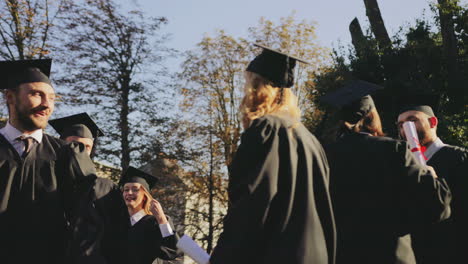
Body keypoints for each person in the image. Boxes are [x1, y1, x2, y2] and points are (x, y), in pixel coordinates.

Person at [210, 44, 336, 264]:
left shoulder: (266, 129)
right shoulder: (311, 141)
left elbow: (253, 203)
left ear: (257, 87)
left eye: (248, 83)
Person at [320, 80, 452, 264]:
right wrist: (430, 175)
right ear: (372, 116)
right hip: (388, 254)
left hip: (336, 254)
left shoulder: (322, 154)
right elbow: (436, 207)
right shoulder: (394, 150)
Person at [0, 59, 101, 264]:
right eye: (37, 94)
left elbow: (87, 224)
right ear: (10, 97)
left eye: (52, 98)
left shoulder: (68, 155)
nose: (47, 105)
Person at [49, 112, 127, 264]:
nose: (81, 152)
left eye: (87, 147)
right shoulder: (43, 179)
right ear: (61, 145)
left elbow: (116, 236)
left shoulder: (105, 188)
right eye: (75, 145)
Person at [397, 103, 468, 264]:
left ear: (433, 122)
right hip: (415, 253)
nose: (405, 128)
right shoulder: (404, 165)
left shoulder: (459, 158)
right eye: (400, 125)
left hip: (453, 250)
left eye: (412, 120)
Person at [119, 166, 181, 264]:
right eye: (126, 189)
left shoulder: (154, 223)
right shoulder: (118, 223)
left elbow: (173, 252)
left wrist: (161, 219)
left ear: (145, 196)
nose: (129, 193)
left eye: (135, 189)